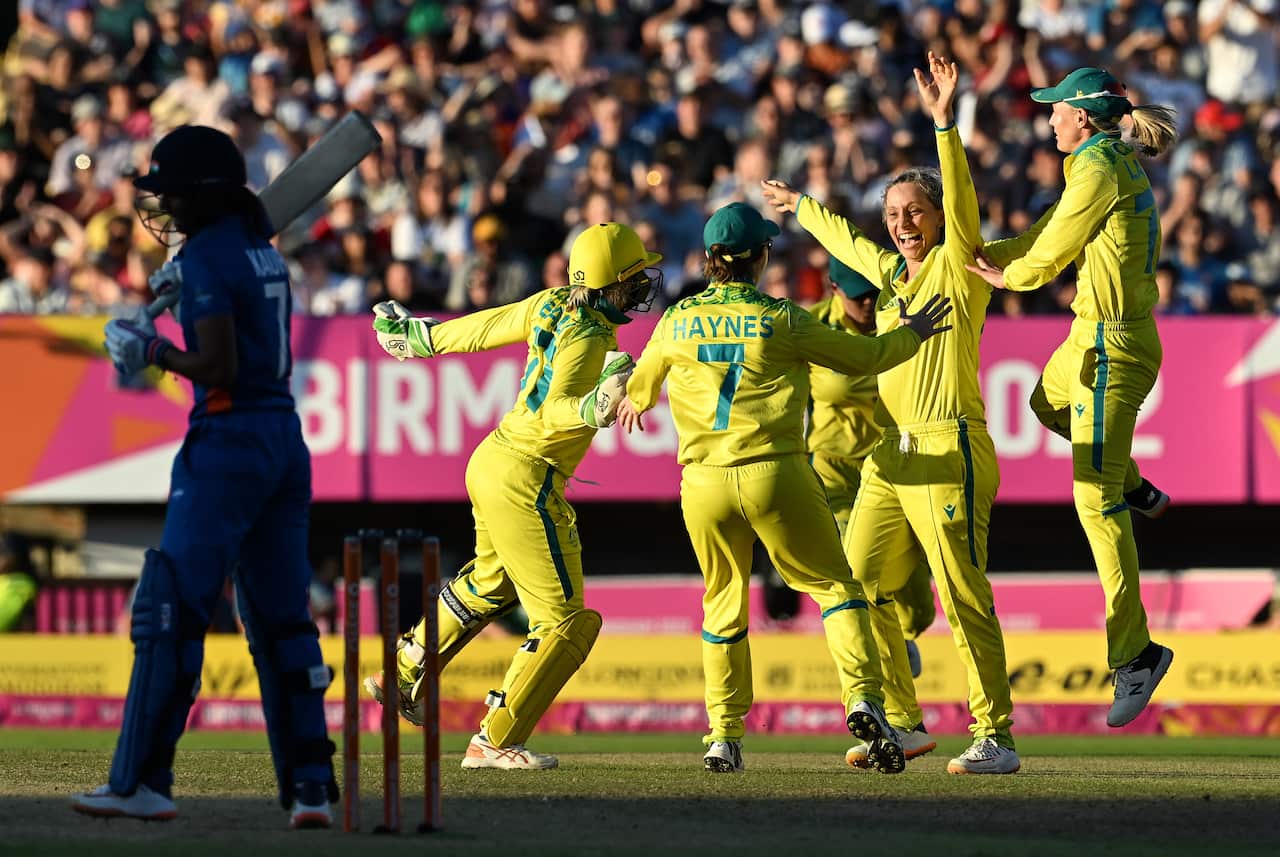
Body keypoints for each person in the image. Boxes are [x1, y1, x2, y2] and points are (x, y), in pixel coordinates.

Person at [616, 201, 954, 775]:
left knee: (723, 604)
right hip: (776, 473)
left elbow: (638, 391)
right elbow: (868, 357)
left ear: (710, 259)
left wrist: (631, 398)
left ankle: (723, 737)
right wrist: (913, 334)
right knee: (836, 587)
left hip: (703, 482)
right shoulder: (782, 318)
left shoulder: (676, 320)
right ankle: (864, 699)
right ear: (761, 258)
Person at [762, 53, 1020, 774]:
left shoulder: (957, 265)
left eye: (916, 213)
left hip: (948, 446)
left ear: (941, 218)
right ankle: (902, 722)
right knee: (853, 585)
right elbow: (848, 241)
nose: (904, 225)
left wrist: (943, 123)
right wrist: (801, 206)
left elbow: (960, 201)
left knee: (963, 595)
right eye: (895, 216)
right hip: (892, 455)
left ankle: (995, 734)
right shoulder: (890, 278)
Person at [72, 126, 337, 826]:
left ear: (201, 194)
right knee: (282, 619)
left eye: (172, 194)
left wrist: (152, 350)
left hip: (226, 440)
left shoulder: (210, 256)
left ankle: (141, 782)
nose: (162, 207)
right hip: (283, 439)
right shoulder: (254, 247)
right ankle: (311, 786)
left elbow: (217, 366)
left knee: (171, 605)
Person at [367, 222, 661, 770]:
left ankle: (401, 670)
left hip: (492, 460)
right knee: (566, 622)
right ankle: (496, 739)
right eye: (635, 277)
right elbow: (552, 411)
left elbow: (485, 327)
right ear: (612, 283)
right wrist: (591, 408)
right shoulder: (592, 335)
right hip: (528, 473)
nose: (642, 286)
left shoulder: (551, 302)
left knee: (489, 584)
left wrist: (423, 339)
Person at [967, 67, 1179, 727]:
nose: (1049, 119)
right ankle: (1136, 485)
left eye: (1056, 109)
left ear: (1082, 116)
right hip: (1090, 336)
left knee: (1094, 498)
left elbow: (1047, 258)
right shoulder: (1099, 161)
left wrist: (1003, 278)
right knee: (1045, 405)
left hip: (1111, 347)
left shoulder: (1097, 168)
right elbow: (1042, 235)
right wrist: (977, 255)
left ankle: (1137, 653)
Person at [805, 257, 937, 768]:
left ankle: (901, 644)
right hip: (835, 475)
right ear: (833, 290)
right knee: (856, 578)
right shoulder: (810, 326)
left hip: (891, 466)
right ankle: (882, 708)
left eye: (870, 294)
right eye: (855, 295)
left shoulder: (894, 317)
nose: (865, 304)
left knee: (917, 605)